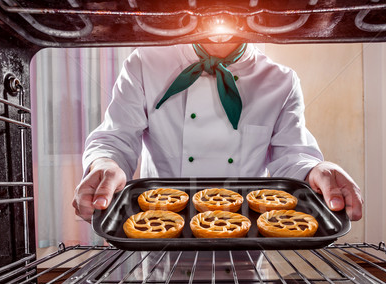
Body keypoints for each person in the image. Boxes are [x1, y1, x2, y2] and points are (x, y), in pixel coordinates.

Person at [72, 42, 363, 222]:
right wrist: (105, 164)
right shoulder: (143, 63)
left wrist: (318, 168)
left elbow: (292, 156)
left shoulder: (281, 80)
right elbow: (116, 139)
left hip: (243, 242)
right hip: (161, 236)